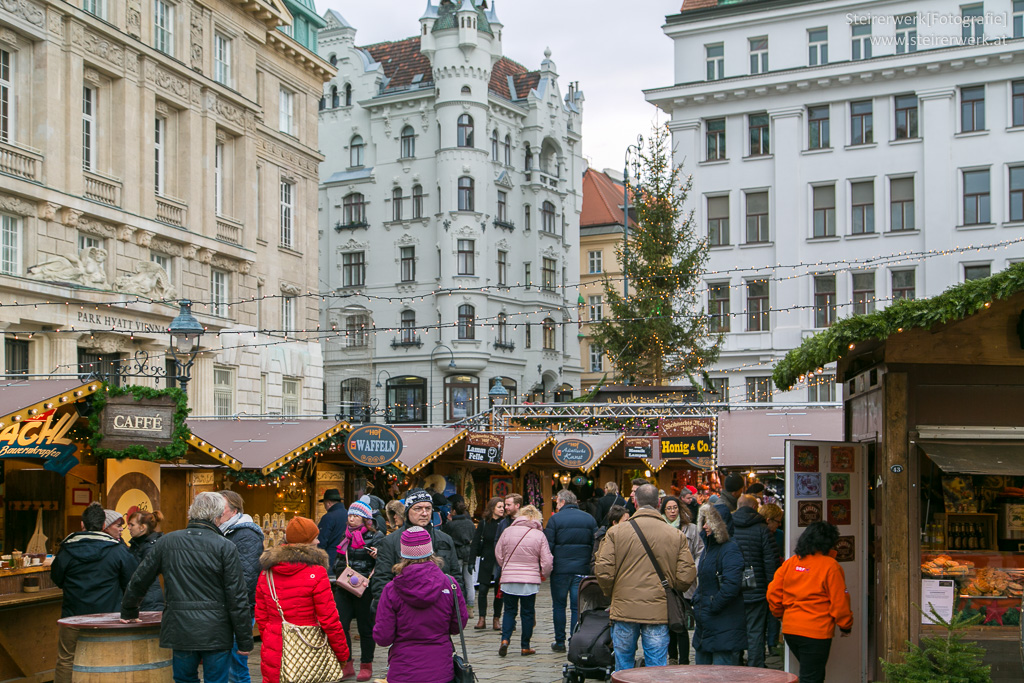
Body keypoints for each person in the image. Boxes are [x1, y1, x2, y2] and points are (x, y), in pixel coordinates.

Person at [121, 492, 253, 683]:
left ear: (192, 512)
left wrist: (129, 610)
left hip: (180, 627)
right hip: (216, 630)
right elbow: (237, 596)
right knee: (216, 680)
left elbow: (140, 579)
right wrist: (244, 640)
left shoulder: (167, 542)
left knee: (184, 679)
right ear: (216, 515)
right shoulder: (225, 546)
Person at [595, 484, 696, 671]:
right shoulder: (675, 535)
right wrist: (669, 587)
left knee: (623, 664)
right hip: (658, 610)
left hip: (624, 607)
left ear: (635, 501)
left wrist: (613, 592)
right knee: (656, 666)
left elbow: (603, 571)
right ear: (658, 503)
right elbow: (686, 575)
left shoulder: (615, 533)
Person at [255, 516, 350, 683]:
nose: (318, 541)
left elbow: (261, 616)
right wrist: (342, 653)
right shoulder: (317, 572)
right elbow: (329, 619)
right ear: (307, 541)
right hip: (309, 646)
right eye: (315, 537)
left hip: (275, 647)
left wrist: (271, 637)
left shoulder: (267, 573)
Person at [53, 502, 138, 683]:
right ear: (102, 526)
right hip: (109, 618)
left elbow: (57, 579)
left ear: (82, 525)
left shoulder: (66, 550)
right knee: (110, 660)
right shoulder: (117, 550)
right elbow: (132, 581)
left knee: (67, 659)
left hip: (72, 617)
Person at [373, 526, 469, 683]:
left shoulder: (392, 589)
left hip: (403, 671)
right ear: (431, 551)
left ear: (402, 554)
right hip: (441, 671)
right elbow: (457, 625)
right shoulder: (450, 584)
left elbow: (383, 637)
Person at [767, 522, 853, 683]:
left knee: (813, 674)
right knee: (812, 677)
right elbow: (840, 601)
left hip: (791, 629)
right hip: (816, 631)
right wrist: (845, 625)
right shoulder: (830, 566)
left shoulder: (791, 563)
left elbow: (773, 592)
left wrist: (779, 614)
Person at [370, 489, 464, 610]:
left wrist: (456, 607)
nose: (424, 513)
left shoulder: (445, 539)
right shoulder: (390, 542)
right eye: (418, 508)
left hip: (439, 612)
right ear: (408, 511)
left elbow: (455, 577)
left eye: (428, 508)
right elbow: (381, 580)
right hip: (404, 612)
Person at [217, 490, 265, 683]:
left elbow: (247, 577)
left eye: (222, 507)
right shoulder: (225, 531)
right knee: (228, 664)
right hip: (229, 607)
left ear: (234, 510)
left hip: (240, 609)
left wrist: (232, 604)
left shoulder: (245, 534)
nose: (217, 512)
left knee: (236, 667)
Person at [692, 502, 747, 666]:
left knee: (720, 674)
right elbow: (704, 580)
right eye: (704, 521)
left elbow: (732, 585)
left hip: (723, 623)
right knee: (701, 674)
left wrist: (712, 604)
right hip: (706, 623)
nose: (705, 526)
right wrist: (698, 599)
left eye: (709, 521)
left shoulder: (730, 549)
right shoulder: (708, 548)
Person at [334, 499, 383, 682]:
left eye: (356, 516)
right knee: (340, 624)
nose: (352, 519)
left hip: (365, 588)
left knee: (365, 627)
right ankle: (346, 664)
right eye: (350, 516)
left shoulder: (376, 537)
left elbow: (385, 561)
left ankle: (366, 664)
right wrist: (341, 575)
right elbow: (338, 560)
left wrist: (378, 555)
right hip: (345, 587)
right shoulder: (344, 535)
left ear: (365, 519)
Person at [494, 505, 553, 658]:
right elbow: (547, 560)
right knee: (527, 613)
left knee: (509, 611)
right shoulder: (539, 535)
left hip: (509, 578)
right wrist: (543, 573)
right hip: (529, 580)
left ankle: (505, 640)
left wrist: (505, 567)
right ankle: (525, 646)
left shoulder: (507, 531)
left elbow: (498, 553)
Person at [544, 490, 596, 652]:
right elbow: (595, 545)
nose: (556, 505)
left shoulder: (555, 520)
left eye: (557, 502)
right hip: (581, 568)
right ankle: (575, 639)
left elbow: (548, 546)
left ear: (562, 502)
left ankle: (559, 642)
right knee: (577, 607)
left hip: (560, 569)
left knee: (559, 606)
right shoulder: (589, 519)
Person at [732, 495, 780, 668]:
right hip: (757, 588)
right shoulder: (762, 529)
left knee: (735, 629)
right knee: (756, 630)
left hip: (733, 587)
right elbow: (770, 561)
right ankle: (756, 667)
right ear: (754, 507)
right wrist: (771, 587)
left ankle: (736, 665)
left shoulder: (729, 526)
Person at [661, 496, 703, 665]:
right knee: (670, 621)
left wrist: (693, 571)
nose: (672, 511)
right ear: (663, 511)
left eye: (675, 508)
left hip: (685, 582)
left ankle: (684, 659)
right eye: (669, 508)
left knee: (682, 623)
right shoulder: (660, 528)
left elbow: (700, 551)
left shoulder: (691, 529)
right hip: (666, 583)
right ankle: (672, 657)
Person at [470, 496, 506, 630]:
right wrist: (471, 560)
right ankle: (482, 618)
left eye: (503, 507)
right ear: (492, 508)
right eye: (499, 507)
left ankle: (497, 618)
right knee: (483, 589)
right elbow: (475, 542)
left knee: (499, 590)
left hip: (499, 560)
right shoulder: (484, 523)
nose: (502, 509)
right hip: (487, 558)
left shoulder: (505, 523)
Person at [442, 499, 477, 618]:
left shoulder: (450, 525)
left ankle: (458, 605)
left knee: (456, 580)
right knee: (469, 581)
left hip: (457, 552)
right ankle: (470, 608)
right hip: (469, 552)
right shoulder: (470, 523)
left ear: (454, 511)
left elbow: (445, 537)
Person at [759, 502, 786, 656]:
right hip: (763, 580)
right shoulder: (762, 533)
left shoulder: (780, 535)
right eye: (777, 521)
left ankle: (772, 643)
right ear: (768, 520)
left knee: (773, 612)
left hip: (774, 578)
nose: (779, 524)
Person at [127, 508, 164, 611]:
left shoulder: (150, 547)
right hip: (145, 598)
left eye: (132, 525)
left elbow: (143, 574)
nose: (128, 528)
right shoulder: (137, 544)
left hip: (149, 601)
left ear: (142, 527)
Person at [317, 488, 348, 575]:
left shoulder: (328, 517)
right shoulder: (349, 514)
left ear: (328, 503)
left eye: (324, 504)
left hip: (330, 559)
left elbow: (321, 541)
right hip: (346, 558)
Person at [591, 504, 629, 570]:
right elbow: (594, 564)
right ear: (614, 523)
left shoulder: (630, 537)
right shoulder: (602, 537)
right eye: (625, 521)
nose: (629, 524)